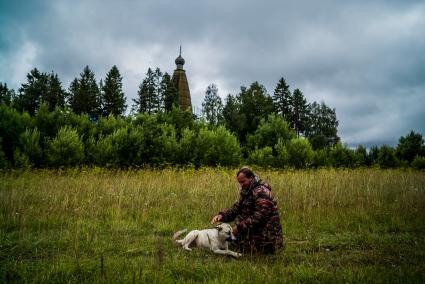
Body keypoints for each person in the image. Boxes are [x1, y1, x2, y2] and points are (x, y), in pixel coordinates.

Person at [211, 167, 283, 254]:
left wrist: (239, 228)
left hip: (267, 234)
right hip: (253, 230)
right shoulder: (247, 191)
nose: (241, 185)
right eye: (239, 182)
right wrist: (222, 216)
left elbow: (260, 217)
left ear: (251, 178)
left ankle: (269, 246)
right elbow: (237, 208)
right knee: (227, 239)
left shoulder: (261, 192)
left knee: (242, 247)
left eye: (243, 181)